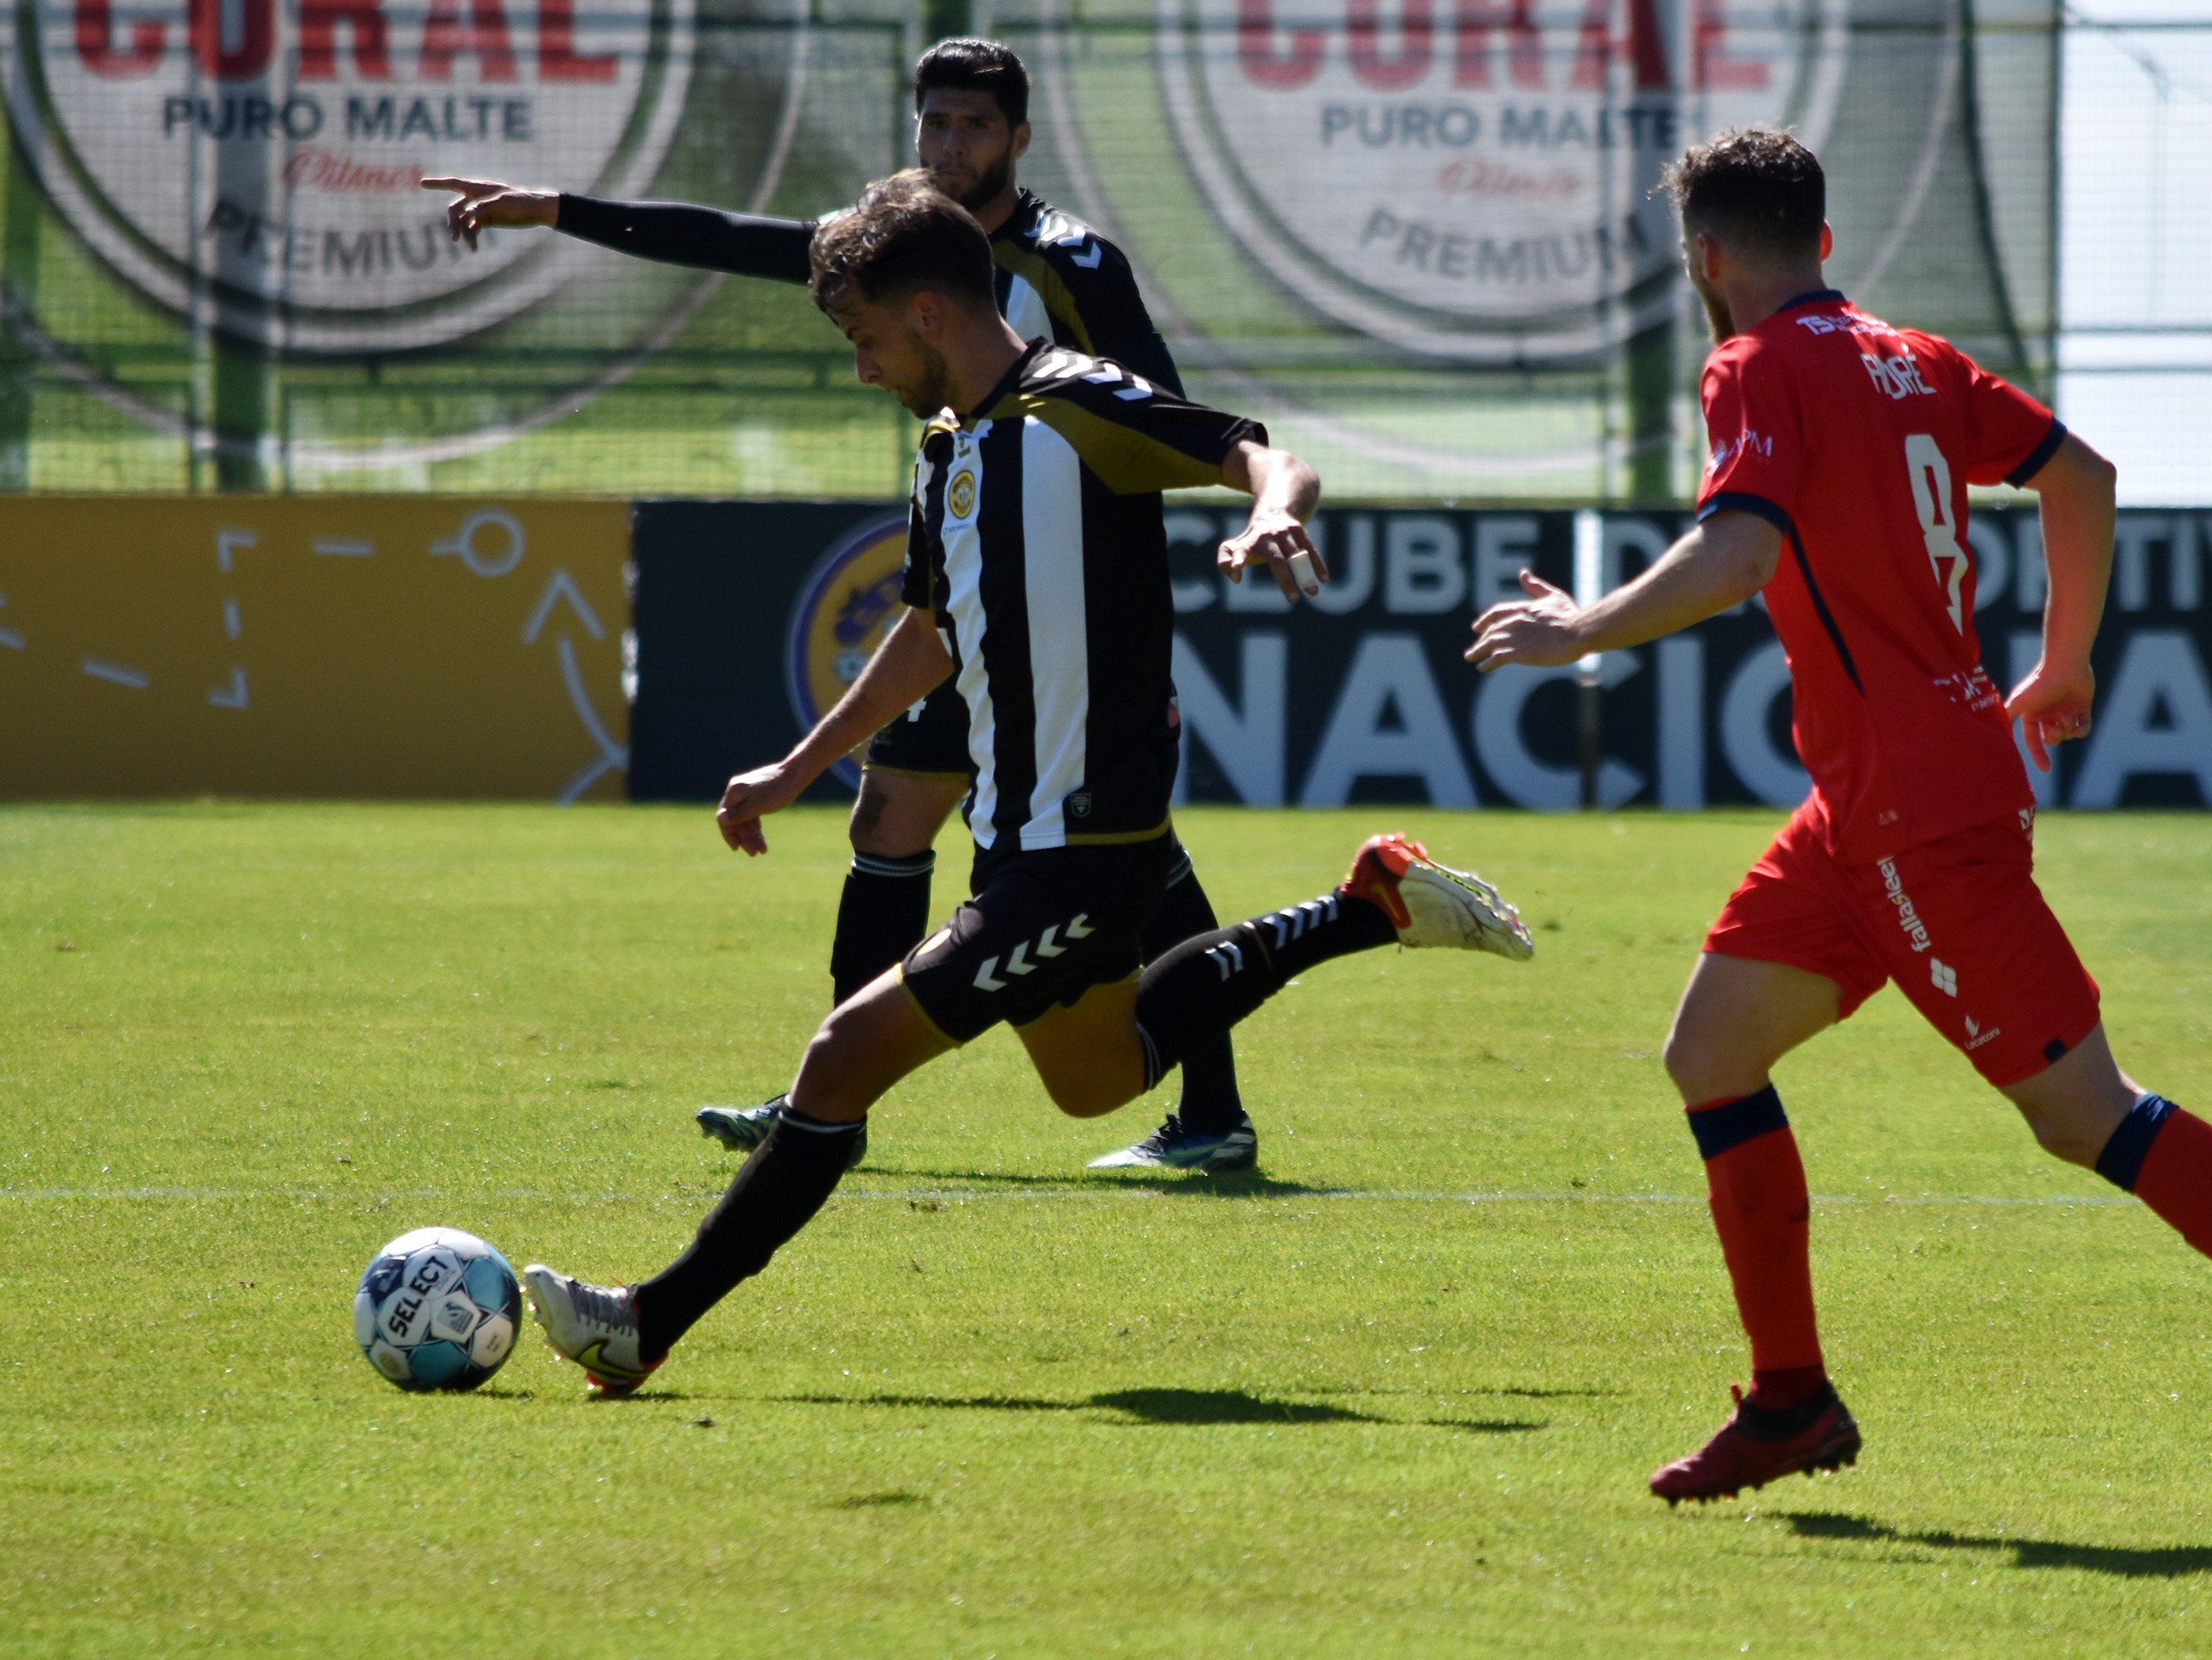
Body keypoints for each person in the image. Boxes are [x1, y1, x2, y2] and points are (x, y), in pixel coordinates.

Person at [1465, 129, 2212, 1523]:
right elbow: (2082, 475)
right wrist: (2066, 663)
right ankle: (1790, 1401)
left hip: (1913, 818)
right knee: (1712, 1051)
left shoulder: (1752, 362)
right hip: (1868, 805)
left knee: (2085, 1115)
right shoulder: (1915, 359)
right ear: (1822, 239)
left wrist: (1583, 632)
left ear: (1708, 258)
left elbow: (1741, 551)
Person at [522, 177, 1534, 1394]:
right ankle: (1367, 906)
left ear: (931, 312)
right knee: (1096, 1080)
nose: (862, 369)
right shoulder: (947, 450)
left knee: (840, 1060)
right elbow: (928, 633)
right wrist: (801, 764)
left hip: (1089, 848)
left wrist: (1271, 515)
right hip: (1016, 837)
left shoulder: (1078, 401)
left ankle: (644, 1322)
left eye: (866, 338)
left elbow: (1267, 455)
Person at [430, 38, 1258, 1175]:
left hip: (1066, 613)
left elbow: (1160, 425)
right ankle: (833, 1098)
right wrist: (559, 209)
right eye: (935, 122)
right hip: (968, 590)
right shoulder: (890, 243)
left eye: (975, 125)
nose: (950, 144)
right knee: (889, 821)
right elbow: (729, 237)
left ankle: (1211, 1109)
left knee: (1128, 851)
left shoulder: (1073, 263)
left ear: (1020, 139)